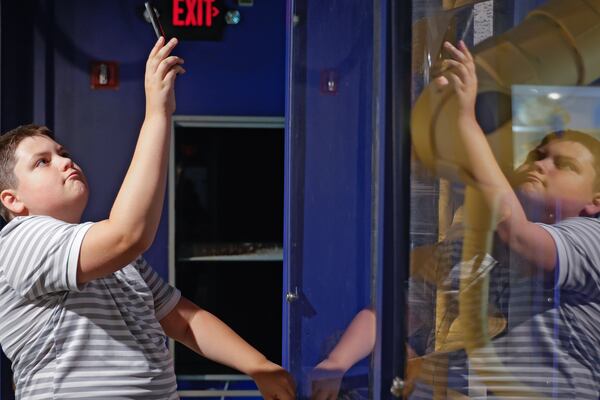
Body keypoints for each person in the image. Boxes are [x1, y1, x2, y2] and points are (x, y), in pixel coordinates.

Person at [0, 37, 296, 400]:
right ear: (13, 201)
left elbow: (183, 321)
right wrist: (157, 113)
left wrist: (259, 365)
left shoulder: (114, 259)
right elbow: (128, 234)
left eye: (62, 153)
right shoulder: (18, 242)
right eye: (42, 162)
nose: (65, 161)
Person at [312, 40, 600, 399]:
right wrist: (337, 363)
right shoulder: (474, 244)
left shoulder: (593, 237)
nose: (541, 165)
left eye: (564, 165)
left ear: (596, 201)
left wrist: (464, 121)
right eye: (538, 155)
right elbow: (394, 314)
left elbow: (523, 240)